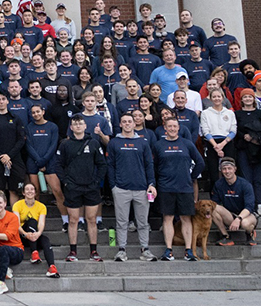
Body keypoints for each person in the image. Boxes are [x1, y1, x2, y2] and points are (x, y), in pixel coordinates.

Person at [54, 114, 107, 261]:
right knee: (73, 220)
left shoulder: (94, 143)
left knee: (91, 219)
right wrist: (65, 181)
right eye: (75, 124)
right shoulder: (65, 144)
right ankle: (73, 252)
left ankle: (94, 252)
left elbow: (102, 164)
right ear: (71, 127)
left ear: (85, 126)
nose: (78, 126)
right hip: (72, 187)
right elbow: (58, 165)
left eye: (80, 123)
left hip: (91, 187)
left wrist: (96, 181)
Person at [106, 110, 157, 262]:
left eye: (130, 121)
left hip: (141, 188)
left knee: (143, 222)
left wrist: (151, 184)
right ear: (120, 124)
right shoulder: (114, 142)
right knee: (121, 222)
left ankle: (145, 249)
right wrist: (113, 186)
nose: (127, 124)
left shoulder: (142, 142)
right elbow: (110, 166)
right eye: (125, 122)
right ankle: (121, 250)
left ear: (135, 124)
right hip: (121, 188)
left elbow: (149, 165)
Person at [153, 115, 205, 261]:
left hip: (185, 188)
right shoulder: (158, 145)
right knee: (167, 218)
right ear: (165, 128)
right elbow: (154, 166)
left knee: (186, 218)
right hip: (166, 187)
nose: (172, 129)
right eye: (169, 126)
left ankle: (188, 251)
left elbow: (200, 163)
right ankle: (168, 250)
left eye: (175, 126)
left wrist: (191, 177)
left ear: (179, 128)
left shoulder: (187, 144)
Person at [12, 182, 59, 278]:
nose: (30, 191)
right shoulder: (17, 205)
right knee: (32, 221)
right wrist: (25, 234)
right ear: (23, 193)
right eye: (27, 189)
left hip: (34, 235)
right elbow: (16, 224)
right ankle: (34, 252)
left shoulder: (41, 206)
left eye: (32, 189)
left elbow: (41, 223)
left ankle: (52, 267)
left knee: (45, 240)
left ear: (35, 192)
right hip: (22, 236)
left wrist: (38, 234)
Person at [211, 157, 257, 246]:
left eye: (229, 168)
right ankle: (226, 236)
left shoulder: (245, 184)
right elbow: (214, 203)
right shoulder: (218, 184)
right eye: (224, 169)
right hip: (230, 214)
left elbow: (249, 206)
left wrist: (238, 219)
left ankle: (250, 234)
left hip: (246, 215)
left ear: (235, 169)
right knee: (213, 207)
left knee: (245, 223)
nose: (227, 171)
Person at [200, 87, 237, 193]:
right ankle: (215, 197)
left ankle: (230, 193)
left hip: (227, 142)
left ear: (223, 97)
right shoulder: (206, 113)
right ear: (210, 99)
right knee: (213, 172)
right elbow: (205, 130)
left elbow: (233, 130)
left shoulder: (229, 113)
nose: (217, 98)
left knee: (228, 169)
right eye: (214, 96)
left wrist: (223, 144)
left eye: (219, 96)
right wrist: (216, 146)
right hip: (212, 142)